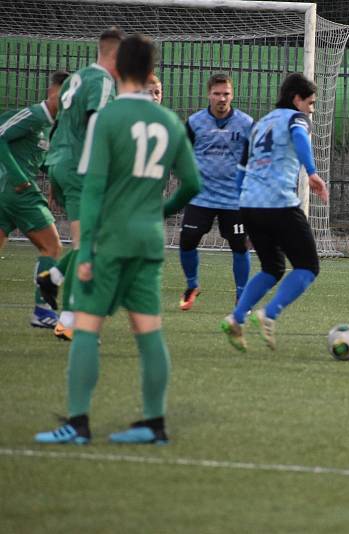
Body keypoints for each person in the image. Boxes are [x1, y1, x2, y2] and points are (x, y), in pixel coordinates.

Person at [35, 34, 201, 445]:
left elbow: (92, 190)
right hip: (148, 241)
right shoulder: (169, 122)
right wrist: (157, 212)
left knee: (87, 330)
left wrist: (86, 248)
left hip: (109, 240)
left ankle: (78, 425)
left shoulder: (108, 119)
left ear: (118, 70)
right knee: (149, 333)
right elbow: (192, 184)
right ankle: (155, 424)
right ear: (149, 73)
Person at [220, 72, 328, 352]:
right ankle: (268, 314)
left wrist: (241, 211)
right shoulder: (296, 118)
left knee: (272, 267)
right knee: (307, 267)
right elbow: (300, 137)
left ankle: (236, 316)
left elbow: (241, 170)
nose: (312, 109)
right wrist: (313, 173)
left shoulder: (259, 124)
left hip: (249, 205)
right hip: (278, 202)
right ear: (297, 99)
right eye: (311, 103)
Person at [37, 28, 124, 341]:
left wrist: (54, 178)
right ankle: (73, 322)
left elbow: (60, 124)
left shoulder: (76, 78)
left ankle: (54, 277)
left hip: (62, 165)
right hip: (80, 169)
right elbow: (96, 124)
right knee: (89, 248)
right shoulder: (102, 81)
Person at [178, 73, 253, 311]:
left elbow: (256, 157)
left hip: (234, 198)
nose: (222, 98)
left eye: (226, 93)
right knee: (187, 240)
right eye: (217, 93)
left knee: (240, 246)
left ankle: (242, 296)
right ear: (208, 94)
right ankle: (192, 285)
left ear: (233, 94)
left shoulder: (246, 123)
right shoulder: (194, 122)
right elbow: (181, 152)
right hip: (202, 195)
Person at [0, 71, 69, 328]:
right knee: (51, 246)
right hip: (17, 192)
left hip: (9, 193)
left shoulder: (50, 124)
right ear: (53, 93)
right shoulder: (34, 115)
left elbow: (38, 161)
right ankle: (42, 310)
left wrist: (57, 179)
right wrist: (19, 178)